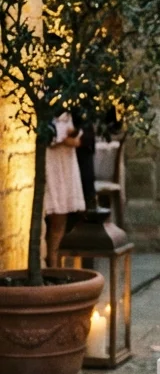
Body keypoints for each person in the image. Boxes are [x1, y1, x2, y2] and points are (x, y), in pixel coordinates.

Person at [44, 112, 86, 267]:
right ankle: (50, 263)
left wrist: (65, 137)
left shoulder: (70, 110)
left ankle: (54, 264)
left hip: (65, 164)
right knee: (52, 215)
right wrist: (61, 135)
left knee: (61, 219)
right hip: (51, 163)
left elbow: (76, 139)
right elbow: (48, 136)